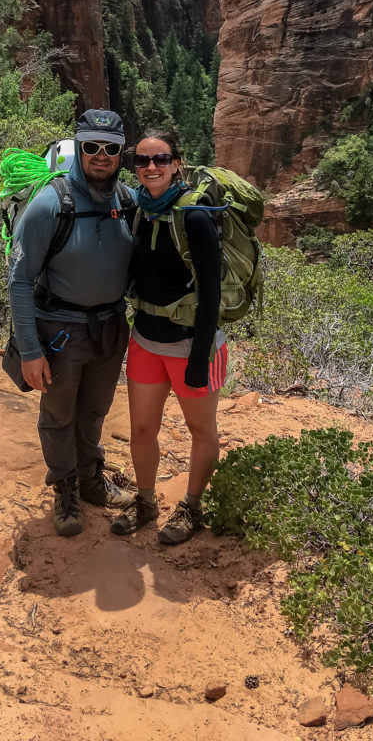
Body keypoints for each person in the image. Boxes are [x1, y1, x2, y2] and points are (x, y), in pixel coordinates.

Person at [8, 109, 135, 537]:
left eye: (110, 148)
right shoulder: (50, 204)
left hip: (111, 328)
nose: (101, 156)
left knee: (95, 409)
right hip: (60, 329)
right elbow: (20, 281)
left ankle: (90, 479)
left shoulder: (129, 201)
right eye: (91, 147)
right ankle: (64, 487)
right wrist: (29, 351)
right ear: (78, 148)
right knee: (59, 413)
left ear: (121, 153)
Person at [111, 128, 224, 545]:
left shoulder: (195, 214)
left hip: (190, 342)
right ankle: (145, 500)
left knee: (201, 430)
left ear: (178, 163)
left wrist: (199, 357)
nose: (151, 167)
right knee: (142, 429)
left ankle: (192, 506)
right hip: (145, 339)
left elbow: (211, 290)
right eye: (142, 160)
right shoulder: (138, 210)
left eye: (160, 159)